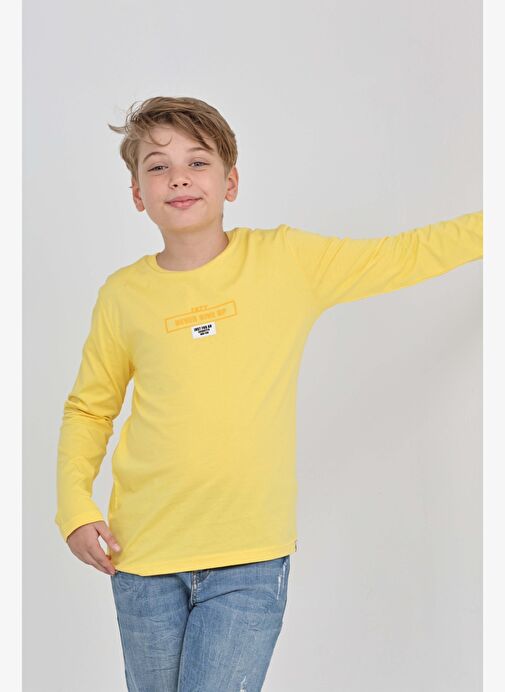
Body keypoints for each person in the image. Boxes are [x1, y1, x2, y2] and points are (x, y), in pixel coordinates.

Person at [54, 95, 483, 691]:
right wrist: (75, 508)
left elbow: (403, 255)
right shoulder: (122, 295)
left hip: (248, 559)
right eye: (158, 166)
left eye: (197, 162)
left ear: (230, 182)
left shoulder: (286, 261)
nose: (178, 177)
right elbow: (89, 408)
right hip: (143, 556)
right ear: (136, 194)